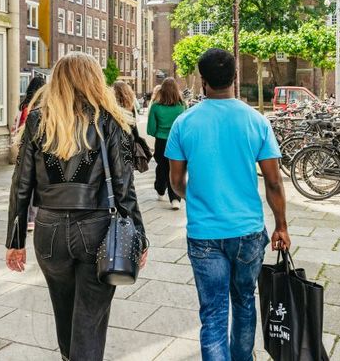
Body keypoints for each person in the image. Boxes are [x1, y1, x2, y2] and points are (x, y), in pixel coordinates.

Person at [5, 52, 148, 361]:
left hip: (49, 230)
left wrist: (15, 241)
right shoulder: (109, 120)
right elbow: (124, 186)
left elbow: (20, 184)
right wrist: (139, 235)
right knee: (90, 320)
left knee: (65, 311)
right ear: (95, 80)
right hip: (97, 228)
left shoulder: (37, 119)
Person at [165, 48, 290, 361]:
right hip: (247, 230)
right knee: (245, 301)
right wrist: (282, 226)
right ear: (235, 77)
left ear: (203, 80)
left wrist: (194, 197)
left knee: (213, 312)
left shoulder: (184, 123)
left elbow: (176, 182)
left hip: (204, 232)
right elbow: (274, 182)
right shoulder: (256, 121)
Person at [147, 78, 186, 209]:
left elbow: (150, 130)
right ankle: (175, 199)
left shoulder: (155, 107)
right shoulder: (182, 107)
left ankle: (160, 188)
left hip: (161, 142)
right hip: (177, 142)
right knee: (175, 168)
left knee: (162, 166)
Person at [15, 74, 45, 231]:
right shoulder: (36, 109)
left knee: (24, 183)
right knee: (33, 183)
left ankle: (27, 217)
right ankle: (31, 217)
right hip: (33, 146)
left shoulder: (23, 106)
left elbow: (17, 124)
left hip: (23, 145)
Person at [113, 80, 152, 167]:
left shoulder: (112, 108)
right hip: (129, 141)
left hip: (115, 143)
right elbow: (134, 128)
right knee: (128, 168)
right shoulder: (130, 107)